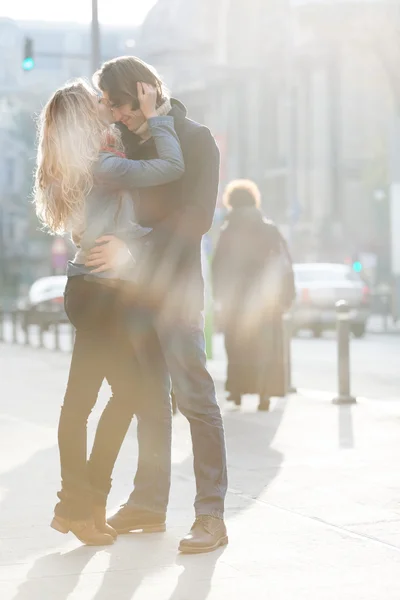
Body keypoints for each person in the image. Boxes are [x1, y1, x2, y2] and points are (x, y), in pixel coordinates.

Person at [84, 56, 228, 554]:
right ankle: (148, 503)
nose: (116, 114)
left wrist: (134, 247)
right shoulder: (126, 142)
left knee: (194, 398)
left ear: (145, 91)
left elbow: (198, 217)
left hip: (177, 288)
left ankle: (210, 514)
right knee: (147, 397)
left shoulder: (196, 139)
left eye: (120, 104)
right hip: (132, 294)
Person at [33, 78, 185, 546]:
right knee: (123, 396)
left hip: (92, 291)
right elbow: (168, 170)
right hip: (102, 292)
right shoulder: (104, 164)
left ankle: (81, 506)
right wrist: (156, 120)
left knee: (87, 402)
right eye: (96, 101)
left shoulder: (75, 164)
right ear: (85, 116)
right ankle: (81, 505)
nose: (105, 105)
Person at [212, 180, 295, 411]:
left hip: (236, 301)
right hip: (267, 300)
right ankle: (265, 394)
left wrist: (220, 298)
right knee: (266, 346)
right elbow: (284, 262)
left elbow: (218, 267)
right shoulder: (269, 227)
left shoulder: (228, 230)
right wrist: (287, 295)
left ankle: (237, 390)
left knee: (237, 346)